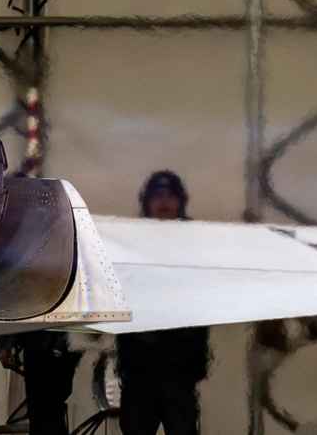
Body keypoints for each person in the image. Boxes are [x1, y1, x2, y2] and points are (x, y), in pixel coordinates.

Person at [115, 170, 210, 435]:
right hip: (138, 364)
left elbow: (204, 298)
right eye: (157, 196)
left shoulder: (196, 242)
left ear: (181, 201)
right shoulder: (129, 240)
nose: (164, 203)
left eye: (170, 196)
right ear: (147, 201)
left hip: (180, 365)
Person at [0, 329, 84, 435]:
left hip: (54, 343)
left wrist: (5, 344)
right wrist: (5, 344)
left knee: (47, 409)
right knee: (44, 410)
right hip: (41, 343)